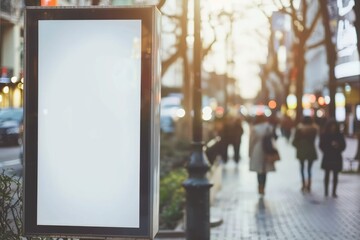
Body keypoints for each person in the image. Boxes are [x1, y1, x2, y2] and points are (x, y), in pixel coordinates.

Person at [249, 115, 276, 196]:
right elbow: (273, 138)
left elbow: (251, 141)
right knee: (265, 170)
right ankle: (263, 187)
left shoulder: (255, 128)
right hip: (267, 149)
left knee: (259, 170)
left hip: (257, 149)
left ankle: (260, 187)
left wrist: (250, 152)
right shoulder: (269, 127)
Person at [319, 119, 346, 197]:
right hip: (328, 156)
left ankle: (334, 192)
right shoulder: (324, 135)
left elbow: (343, 145)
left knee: (335, 175)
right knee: (327, 174)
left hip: (336, 156)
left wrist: (338, 146)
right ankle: (326, 191)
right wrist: (327, 149)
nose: (333, 128)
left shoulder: (339, 135)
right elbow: (321, 145)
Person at [292, 116, 318, 192]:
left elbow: (295, 140)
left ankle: (303, 184)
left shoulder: (299, 129)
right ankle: (309, 184)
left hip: (301, 149)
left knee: (302, 168)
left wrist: (298, 146)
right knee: (309, 169)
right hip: (311, 149)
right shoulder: (314, 129)